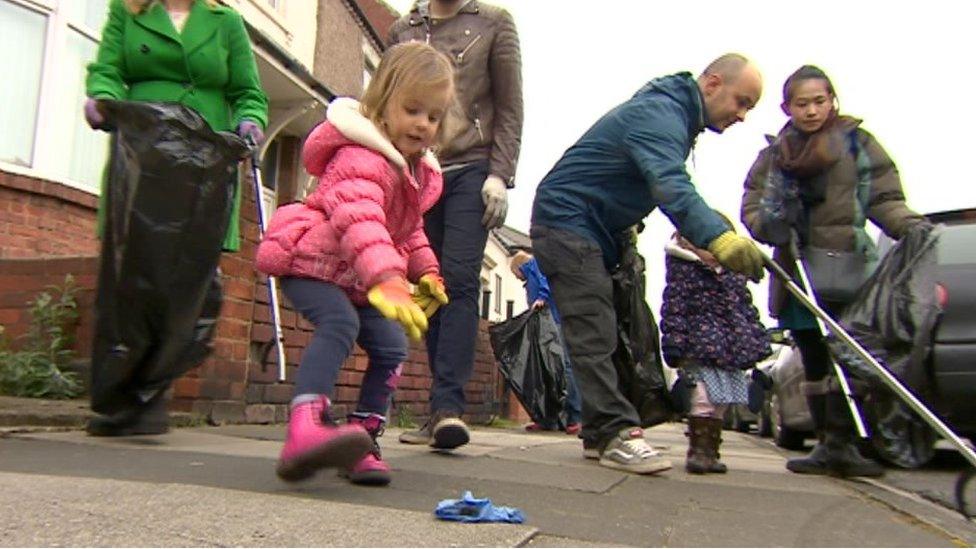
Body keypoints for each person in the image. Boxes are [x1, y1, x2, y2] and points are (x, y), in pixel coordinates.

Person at [530, 53, 766, 474]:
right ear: (712, 84)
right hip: (567, 222)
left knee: (620, 331)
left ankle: (600, 432)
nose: (743, 115)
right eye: (742, 101)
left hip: (598, 229)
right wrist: (718, 236)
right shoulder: (661, 115)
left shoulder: (675, 115)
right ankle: (617, 433)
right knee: (593, 328)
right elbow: (670, 184)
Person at [255, 42, 454, 486]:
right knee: (340, 324)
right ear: (382, 105)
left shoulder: (413, 173)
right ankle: (305, 427)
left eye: (434, 116)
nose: (423, 124)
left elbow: (408, 230)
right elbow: (360, 217)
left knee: (392, 347)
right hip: (312, 262)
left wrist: (426, 272)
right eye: (413, 109)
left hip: (358, 276)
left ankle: (360, 440)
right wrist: (386, 276)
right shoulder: (360, 155)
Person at [83, 0, 268, 436]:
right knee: (130, 278)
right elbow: (107, 68)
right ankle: (119, 398)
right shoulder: (127, 11)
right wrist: (103, 99)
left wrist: (250, 119)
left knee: (186, 282)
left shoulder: (227, 23)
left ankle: (154, 397)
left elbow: (248, 91)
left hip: (201, 167)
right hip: (142, 161)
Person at [741, 65, 926, 478]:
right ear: (787, 107)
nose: (811, 111)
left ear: (832, 101)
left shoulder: (858, 145)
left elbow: (884, 195)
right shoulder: (774, 157)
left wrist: (909, 226)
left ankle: (859, 439)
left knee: (854, 355)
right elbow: (752, 206)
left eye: (819, 102)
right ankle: (829, 441)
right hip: (799, 270)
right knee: (815, 358)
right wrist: (769, 222)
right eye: (801, 104)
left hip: (849, 268)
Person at [389, 0, 523, 450]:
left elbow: (509, 107)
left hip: (471, 169)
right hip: (415, 169)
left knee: (461, 279)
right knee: (430, 284)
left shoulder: (495, 23)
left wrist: (500, 175)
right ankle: (435, 410)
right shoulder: (401, 30)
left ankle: (448, 407)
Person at [659, 222, 771, 474]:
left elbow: (746, 309)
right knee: (703, 397)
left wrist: (757, 338)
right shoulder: (685, 273)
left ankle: (710, 451)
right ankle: (698, 450)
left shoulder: (732, 275)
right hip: (701, 346)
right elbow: (674, 310)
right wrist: (675, 343)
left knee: (721, 401)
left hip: (729, 347)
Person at [509, 251, 583, 435]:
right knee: (548, 368)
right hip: (548, 323)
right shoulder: (533, 270)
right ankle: (551, 418)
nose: (517, 279)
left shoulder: (534, 265)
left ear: (519, 267)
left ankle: (575, 416)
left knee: (564, 366)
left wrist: (541, 297)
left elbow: (545, 282)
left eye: (515, 274)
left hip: (554, 321)